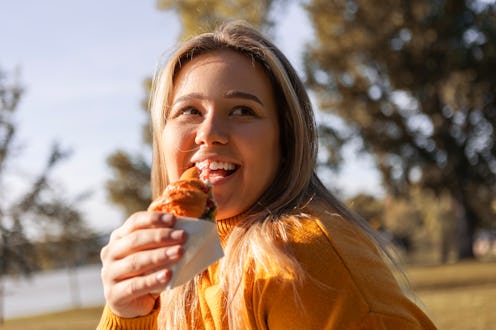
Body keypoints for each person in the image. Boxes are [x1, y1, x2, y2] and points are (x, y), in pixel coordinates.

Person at [97, 20, 437, 329]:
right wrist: (129, 314)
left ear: (285, 139)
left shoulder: (302, 260)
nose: (210, 131)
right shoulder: (184, 264)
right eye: (190, 110)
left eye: (243, 110)